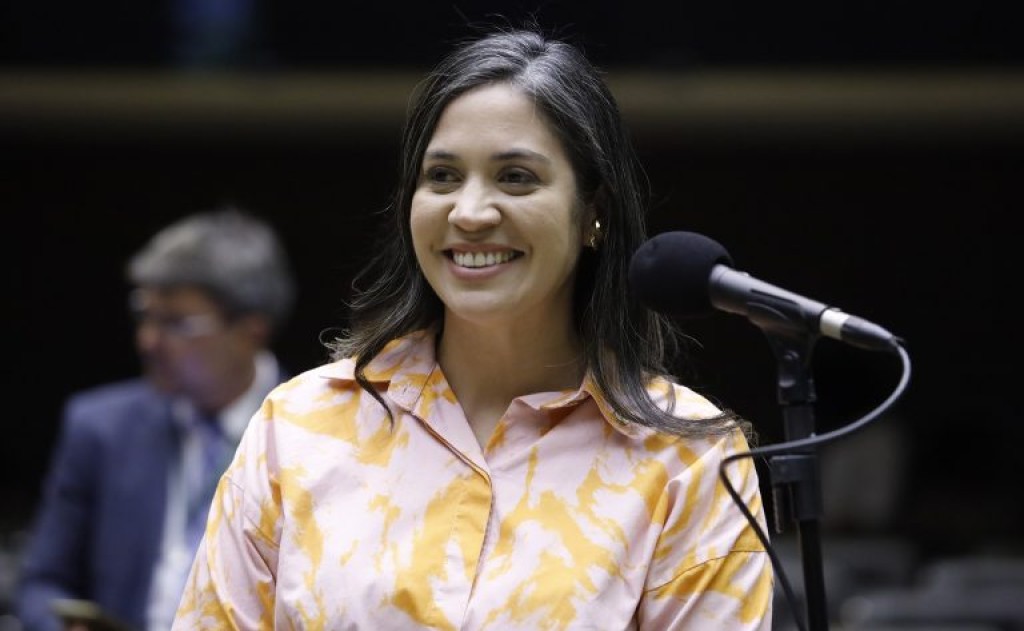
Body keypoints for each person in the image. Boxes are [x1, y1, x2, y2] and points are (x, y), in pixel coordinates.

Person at [173, 26, 774, 629]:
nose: (470, 213)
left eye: (516, 177)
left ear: (594, 211)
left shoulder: (688, 460)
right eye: (442, 176)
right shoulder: (298, 427)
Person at [15, 207, 297, 631]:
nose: (147, 340)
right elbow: (41, 584)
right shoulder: (100, 429)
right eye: (145, 315)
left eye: (176, 323)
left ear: (250, 331)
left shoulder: (315, 435)